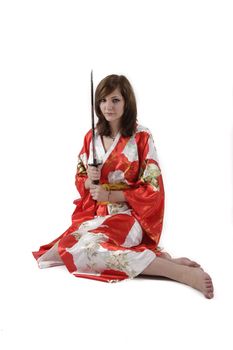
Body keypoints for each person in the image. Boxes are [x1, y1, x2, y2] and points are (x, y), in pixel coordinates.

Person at [32, 74, 214, 299]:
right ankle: (157, 260)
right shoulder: (92, 137)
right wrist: (90, 179)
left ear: (127, 102)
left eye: (115, 100)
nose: (108, 106)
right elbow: (80, 178)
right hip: (97, 216)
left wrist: (112, 194)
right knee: (60, 250)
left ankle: (178, 273)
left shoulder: (142, 137)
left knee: (86, 250)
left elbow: (153, 187)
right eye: (103, 100)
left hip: (129, 217)